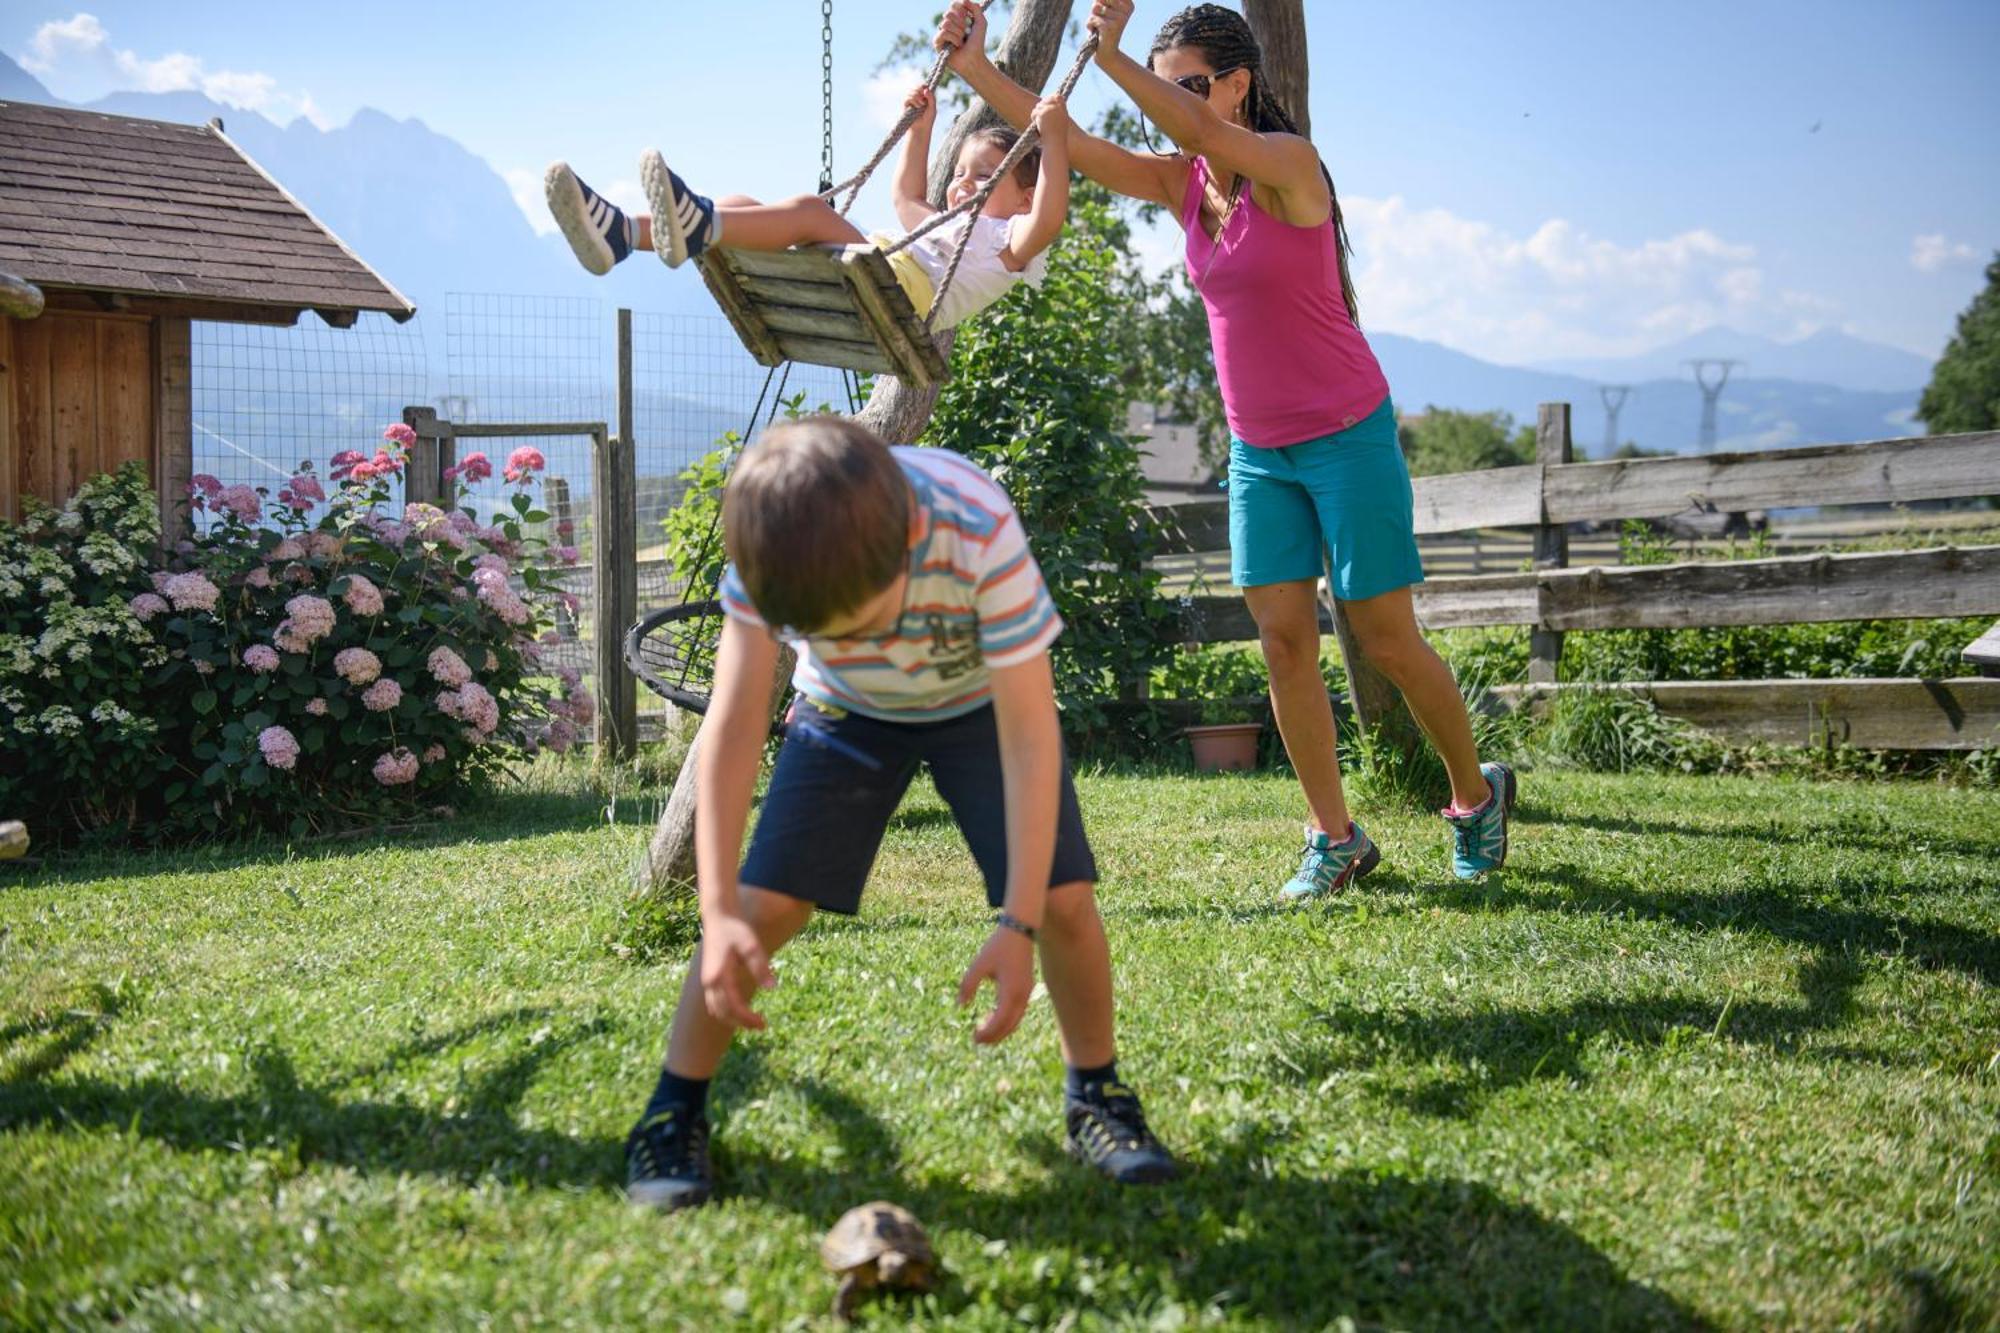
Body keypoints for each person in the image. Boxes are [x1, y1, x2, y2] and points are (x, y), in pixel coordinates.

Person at [937, 1, 1517, 895]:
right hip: (1259, 450)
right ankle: (1337, 837)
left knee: (1387, 638)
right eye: (1164, 93)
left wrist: (1114, 53)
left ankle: (1475, 797)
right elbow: (1078, 148)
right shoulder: (1184, 186)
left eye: (1192, 85)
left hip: (1347, 433)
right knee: (1283, 643)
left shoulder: (1292, 166)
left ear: (1240, 85)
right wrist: (977, 70)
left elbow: (1198, 128)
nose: (1174, 108)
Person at [624, 416, 1179, 1209]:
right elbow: (737, 720)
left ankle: (1098, 1094)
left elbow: (1029, 735)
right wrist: (716, 912)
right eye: (827, 631)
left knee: (1064, 900)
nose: (861, 637)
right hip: (845, 710)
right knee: (761, 905)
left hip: (983, 706)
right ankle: (672, 1110)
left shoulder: (973, 521)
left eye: (869, 617)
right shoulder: (772, 544)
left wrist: (1017, 921)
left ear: (913, 537)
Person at [545, 88, 1072, 332]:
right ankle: (620, 234)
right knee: (739, 207)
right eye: (959, 175)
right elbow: (907, 200)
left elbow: (1048, 218)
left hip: (899, 294)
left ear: (1023, 196)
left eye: (984, 177)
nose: (963, 187)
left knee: (807, 211)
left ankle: (690, 224)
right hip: (879, 269)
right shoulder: (948, 227)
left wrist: (1053, 143)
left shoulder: (1007, 242)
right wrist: (921, 129)